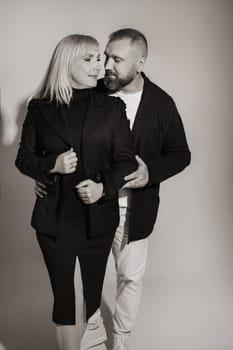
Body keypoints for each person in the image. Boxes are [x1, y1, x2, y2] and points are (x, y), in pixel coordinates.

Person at [35, 28, 191, 350]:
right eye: (105, 56)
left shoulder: (161, 104)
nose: (106, 65)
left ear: (140, 62)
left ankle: (120, 340)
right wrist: (46, 171)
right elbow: (56, 138)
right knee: (84, 280)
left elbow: (181, 154)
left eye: (117, 59)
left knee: (130, 277)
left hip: (136, 209)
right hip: (89, 207)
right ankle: (91, 337)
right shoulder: (93, 93)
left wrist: (150, 174)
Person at [15, 34, 137, 350]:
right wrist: (51, 165)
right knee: (64, 297)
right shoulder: (40, 109)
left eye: (99, 58)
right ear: (66, 62)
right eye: (89, 58)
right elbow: (24, 159)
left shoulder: (112, 107)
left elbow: (125, 160)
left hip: (98, 220)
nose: (99, 65)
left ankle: (91, 343)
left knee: (92, 295)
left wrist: (103, 188)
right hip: (54, 220)